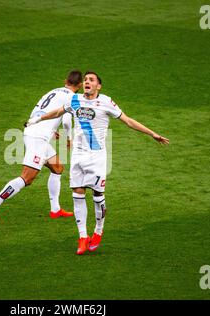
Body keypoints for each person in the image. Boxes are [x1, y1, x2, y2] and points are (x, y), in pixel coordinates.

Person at [26, 71, 169, 254]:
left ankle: (98, 231)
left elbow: (127, 121)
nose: (87, 81)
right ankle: (83, 237)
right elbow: (58, 112)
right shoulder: (74, 100)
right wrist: (38, 119)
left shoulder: (106, 102)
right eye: (85, 79)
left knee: (97, 196)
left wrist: (152, 134)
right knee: (77, 193)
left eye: (91, 80)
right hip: (78, 155)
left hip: (97, 157)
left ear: (98, 86)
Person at [0, 70, 83, 225]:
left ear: (66, 81)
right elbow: (67, 121)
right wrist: (69, 139)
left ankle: (55, 210)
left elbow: (40, 111)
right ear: (81, 85)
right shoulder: (72, 97)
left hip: (34, 131)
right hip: (38, 138)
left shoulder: (53, 91)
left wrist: (52, 130)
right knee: (27, 178)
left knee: (57, 167)